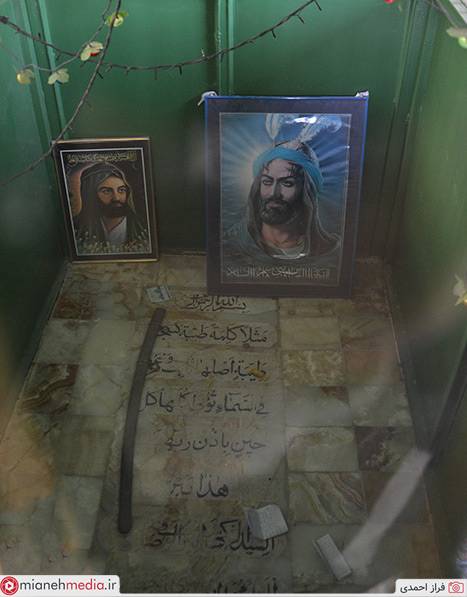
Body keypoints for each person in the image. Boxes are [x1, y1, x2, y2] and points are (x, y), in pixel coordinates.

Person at [224, 139, 339, 263]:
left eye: (287, 183)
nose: (273, 193)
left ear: (307, 192)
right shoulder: (231, 245)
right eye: (267, 182)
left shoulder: (330, 251)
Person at [68, 163, 149, 253]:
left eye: (121, 190)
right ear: (90, 194)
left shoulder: (144, 227)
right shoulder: (75, 229)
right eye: (106, 191)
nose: (116, 198)